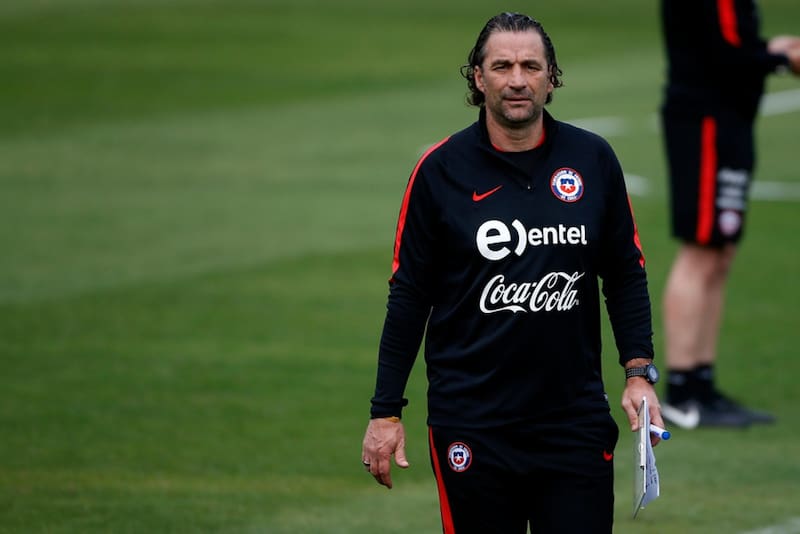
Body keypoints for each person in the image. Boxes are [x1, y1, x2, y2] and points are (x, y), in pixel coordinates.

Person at [360, 12, 664, 533]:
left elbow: (625, 273)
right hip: (472, 424)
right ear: (478, 78)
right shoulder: (440, 171)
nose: (517, 80)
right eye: (501, 66)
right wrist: (385, 412)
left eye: (531, 65)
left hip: (573, 423)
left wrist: (638, 374)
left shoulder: (593, 160)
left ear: (552, 77)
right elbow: (409, 295)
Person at [658, 0, 800, 429]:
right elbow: (721, 59)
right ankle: (681, 394)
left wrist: (769, 50)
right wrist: (781, 58)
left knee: (720, 253)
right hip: (705, 123)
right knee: (701, 250)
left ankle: (702, 384)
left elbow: (725, 44)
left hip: (728, 120)